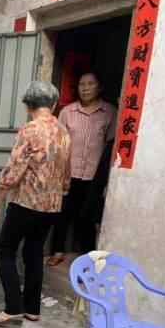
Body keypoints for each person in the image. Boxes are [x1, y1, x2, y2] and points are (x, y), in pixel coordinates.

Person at [0, 81, 71, 326]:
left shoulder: (30, 130)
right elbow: (67, 171)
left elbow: (14, 170)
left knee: (5, 250)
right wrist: (61, 193)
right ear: (53, 105)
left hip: (26, 202)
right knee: (34, 252)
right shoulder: (64, 132)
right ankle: (32, 309)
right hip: (52, 206)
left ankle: (13, 307)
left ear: (27, 105)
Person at [47, 72, 117, 266]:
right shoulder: (67, 112)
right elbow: (59, 143)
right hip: (68, 174)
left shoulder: (110, 112)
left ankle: (90, 257)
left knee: (87, 217)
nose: (85, 88)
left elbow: (110, 145)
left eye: (90, 84)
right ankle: (58, 251)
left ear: (99, 87)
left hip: (93, 176)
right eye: (81, 84)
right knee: (62, 214)